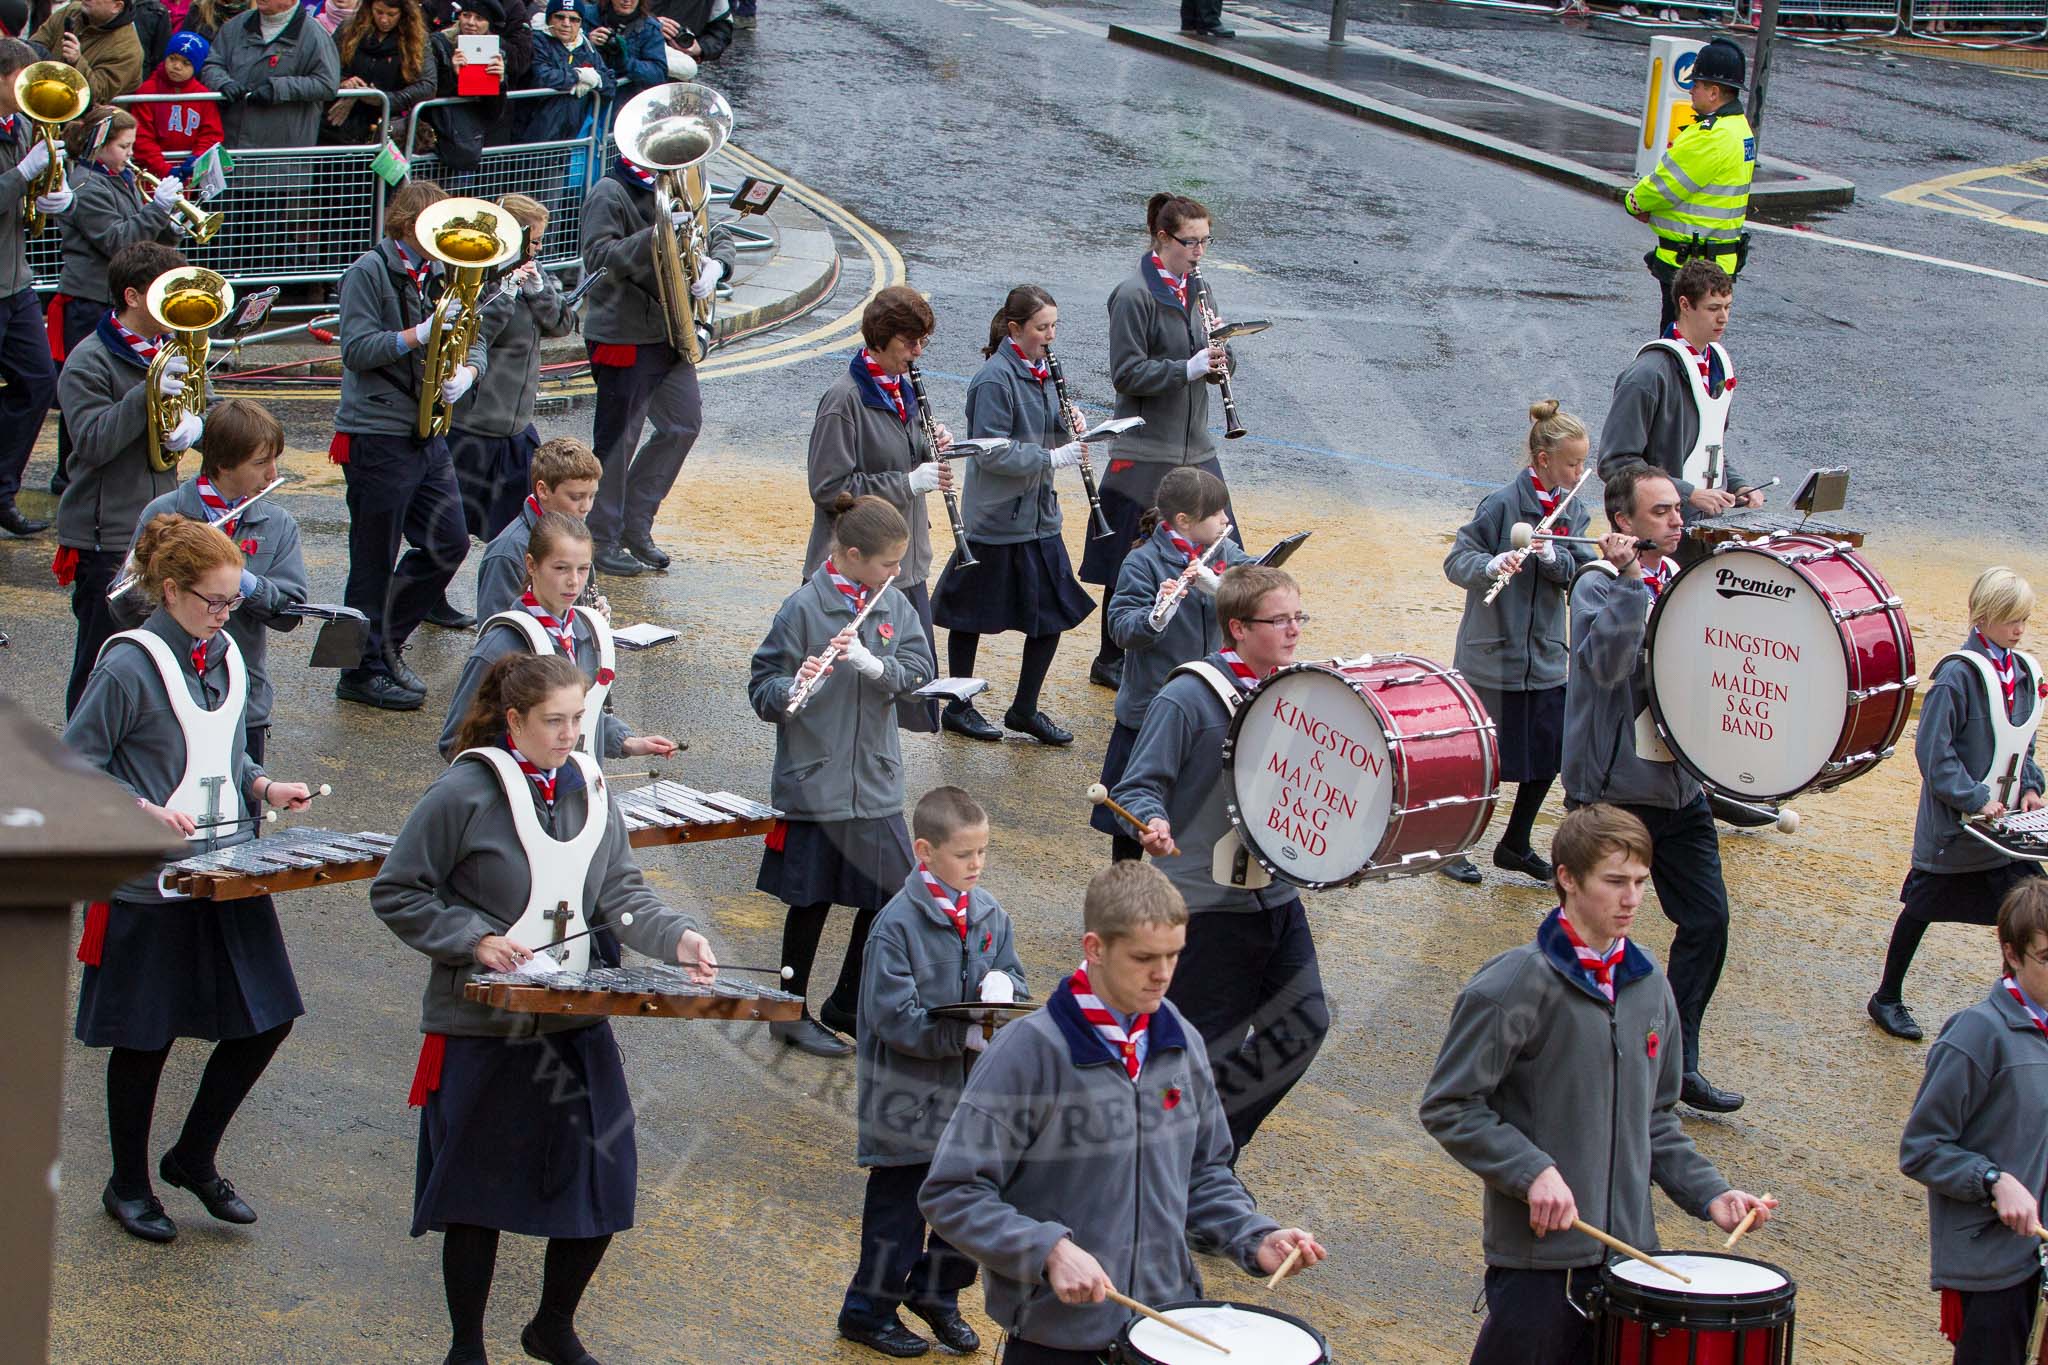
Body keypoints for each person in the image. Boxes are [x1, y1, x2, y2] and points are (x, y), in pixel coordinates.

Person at [371, 651, 720, 1365]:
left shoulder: (592, 786)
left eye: (577, 720)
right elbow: (398, 890)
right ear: (514, 721)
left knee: (605, 1179)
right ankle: (465, 1344)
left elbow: (624, 898)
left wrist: (677, 936)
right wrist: (474, 937)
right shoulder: (463, 791)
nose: (569, 735)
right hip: (484, 1023)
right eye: (554, 721)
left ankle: (551, 1325)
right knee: (476, 1194)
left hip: (574, 1019)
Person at [920, 860, 1325, 1365]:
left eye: (1174, 956)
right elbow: (953, 1192)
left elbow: (1203, 1173)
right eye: (1144, 958)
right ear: (1095, 948)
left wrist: (1253, 1234)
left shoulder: (1180, 1040)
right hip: (1057, 1341)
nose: (1163, 975)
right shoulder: (1028, 1053)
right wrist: (1048, 1250)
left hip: (1167, 1329)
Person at [1420, 803, 1775, 1365]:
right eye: (1615, 882)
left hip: (1632, 1260)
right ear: (1567, 878)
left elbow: (1656, 1117)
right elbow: (1451, 1105)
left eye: (1639, 881)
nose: (1632, 899)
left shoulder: (1650, 983)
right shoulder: (1513, 984)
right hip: (1541, 1266)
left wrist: (1711, 1194)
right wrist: (1530, 1170)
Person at [64, 512, 314, 1244]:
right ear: (170, 591)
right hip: (151, 881)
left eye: (234, 601)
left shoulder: (226, 651)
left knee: (268, 1017)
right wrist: (139, 807)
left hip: (229, 867)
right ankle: (128, 1182)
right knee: (146, 1037)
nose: (226, 613)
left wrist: (264, 786)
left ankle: (193, 1155)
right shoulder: (127, 664)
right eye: (215, 601)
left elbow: (225, 755)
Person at [1113, 564, 1329, 1157]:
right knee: (1206, 1049)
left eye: (1297, 617)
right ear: (1238, 627)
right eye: (1280, 620)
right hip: (1204, 904)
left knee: (1303, 1026)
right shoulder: (1189, 696)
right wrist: (1152, 821)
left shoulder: (1300, 691)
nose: (1293, 631)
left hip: (1276, 894)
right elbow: (1136, 786)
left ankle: (1212, 1158)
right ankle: (1187, 1174)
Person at [1563, 460, 1743, 1113]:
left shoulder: (1683, 577)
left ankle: (1678, 1059)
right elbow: (1606, 667)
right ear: (1622, 522)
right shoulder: (1595, 584)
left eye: (1677, 508)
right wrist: (1632, 580)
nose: (1677, 519)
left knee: (1708, 920)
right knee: (1598, 928)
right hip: (1616, 794)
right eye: (1662, 512)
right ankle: (1579, 1053)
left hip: (1680, 788)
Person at [840, 784, 1026, 1359]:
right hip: (907, 1101)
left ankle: (937, 1294)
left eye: (983, 853)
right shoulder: (895, 927)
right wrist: (963, 1034)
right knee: (897, 1215)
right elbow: (893, 1020)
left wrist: (1008, 991)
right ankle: (867, 1311)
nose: (977, 865)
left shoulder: (991, 914)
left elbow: (1014, 981)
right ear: (925, 852)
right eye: (964, 854)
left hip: (969, 1099)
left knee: (967, 1203)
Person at [751, 494, 935, 1058]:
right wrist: (791, 691)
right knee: (810, 902)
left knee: (890, 894)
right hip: (816, 783)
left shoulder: (893, 606)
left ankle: (846, 1001)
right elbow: (763, 686)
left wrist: (875, 665)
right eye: (886, 563)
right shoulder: (803, 609)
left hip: (874, 782)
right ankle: (789, 1008)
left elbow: (920, 668)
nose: (897, 573)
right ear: (852, 556)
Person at [1870, 567, 2045, 1041]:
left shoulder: (2021, 671)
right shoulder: (1955, 677)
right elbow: (1933, 753)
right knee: (1922, 906)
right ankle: (1886, 995)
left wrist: (2030, 784)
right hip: (1956, 826)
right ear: (1984, 618)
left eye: (2024, 621)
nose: (2020, 630)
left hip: (2005, 827)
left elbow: (2022, 743)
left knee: (2031, 910)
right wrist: (1975, 798)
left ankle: (2021, 997)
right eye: (2013, 621)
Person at [331, 178, 486, 711]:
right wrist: (417, 335)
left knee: (450, 541)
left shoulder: (444, 271)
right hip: (376, 433)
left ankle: (384, 645)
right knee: (370, 560)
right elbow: (354, 349)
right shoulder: (367, 272)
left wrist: (469, 370)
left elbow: (477, 334)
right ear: (407, 225)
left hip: (427, 429)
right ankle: (353, 670)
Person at [1084, 191, 1238, 691]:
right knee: (1131, 557)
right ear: (1162, 238)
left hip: (1195, 445)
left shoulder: (1201, 288)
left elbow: (1213, 352)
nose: (1198, 252)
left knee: (1220, 544)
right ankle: (1112, 656)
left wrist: (1219, 363)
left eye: (1205, 242)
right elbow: (1126, 374)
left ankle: (1207, 645)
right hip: (1146, 449)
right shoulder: (1133, 295)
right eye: (1189, 242)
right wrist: (1185, 368)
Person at [1438, 400, 1596, 886]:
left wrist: (1552, 558)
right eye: (1572, 463)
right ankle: (1454, 845)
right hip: (1493, 655)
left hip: (1545, 656)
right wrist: (1490, 564)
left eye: (1582, 462)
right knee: (1481, 760)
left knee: (1545, 756)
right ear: (1544, 460)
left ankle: (1515, 844)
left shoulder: (1576, 511)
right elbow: (1456, 561)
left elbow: (1577, 576)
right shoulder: (1502, 504)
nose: (1579, 471)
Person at [930, 285, 1095, 748]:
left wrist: (1071, 423)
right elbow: (991, 453)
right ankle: (958, 707)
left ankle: (1024, 708)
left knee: (1052, 615)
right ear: (1015, 329)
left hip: (1039, 516)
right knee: (970, 614)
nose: (1050, 336)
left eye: (1054, 327)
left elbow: (1044, 431)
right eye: (1042, 328)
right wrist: (1053, 458)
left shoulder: (1043, 371)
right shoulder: (993, 380)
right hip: (998, 519)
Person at [1901, 878, 2048, 1365]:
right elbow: (1922, 1148)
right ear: (2011, 952)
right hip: (1996, 1268)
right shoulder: (1976, 1034)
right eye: (2047, 957)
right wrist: (1992, 1179)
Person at [577, 141, 734, 577]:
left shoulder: (679, 181)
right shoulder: (611, 191)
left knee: (684, 424)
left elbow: (714, 230)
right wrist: (659, 235)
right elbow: (597, 257)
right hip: (624, 333)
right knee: (617, 439)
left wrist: (716, 265)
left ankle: (635, 523)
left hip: (669, 332)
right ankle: (601, 536)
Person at [803, 285, 954, 733]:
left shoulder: (902, 387)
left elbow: (899, 453)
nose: (918, 351)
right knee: (848, 692)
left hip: (904, 565)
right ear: (882, 339)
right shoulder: (843, 399)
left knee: (913, 681)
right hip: (859, 567)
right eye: (911, 342)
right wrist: (908, 483)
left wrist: (931, 445)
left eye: (922, 341)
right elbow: (829, 488)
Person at [53, 239, 195, 715]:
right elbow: (92, 443)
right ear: (133, 297)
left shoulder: (172, 346)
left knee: (157, 661)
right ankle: (79, 769)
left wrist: (195, 427)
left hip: (162, 525)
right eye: (164, 293)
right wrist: (147, 393)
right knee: (101, 665)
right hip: (106, 534)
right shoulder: (87, 360)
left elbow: (202, 410)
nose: (177, 305)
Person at [122, 398, 304, 766]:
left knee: (242, 812)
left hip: (241, 700)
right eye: (260, 463)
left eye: (274, 461)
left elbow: (288, 613)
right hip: (165, 696)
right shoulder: (164, 513)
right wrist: (169, 569)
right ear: (223, 463)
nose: (272, 474)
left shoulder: (278, 524)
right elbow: (126, 608)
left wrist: (239, 580)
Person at [1093, 466, 1250, 864]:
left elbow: (1261, 586)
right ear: (1184, 521)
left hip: (1207, 704)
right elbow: (1123, 628)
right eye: (1218, 514)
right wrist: (1156, 618)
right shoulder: (1143, 562)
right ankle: (1124, 890)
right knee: (1133, 818)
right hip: (1150, 710)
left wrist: (1217, 587)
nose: (1226, 521)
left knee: (1195, 811)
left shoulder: (1223, 554)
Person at [438, 511, 674, 761]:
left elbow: (578, 712)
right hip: (519, 794)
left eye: (583, 569)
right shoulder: (500, 646)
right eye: (561, 568)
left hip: (572, 789)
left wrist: (624, 741)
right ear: (531, 565)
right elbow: (456, 741)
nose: (574, 581)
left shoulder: (584, 631)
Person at [47, 108, 181, 496]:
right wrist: (156, 209)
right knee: (89, 392)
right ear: (98, 146)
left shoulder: (119, 178)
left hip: (113, 295)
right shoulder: (88, 184)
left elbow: (142, 246)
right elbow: (117, 241)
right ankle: (69, 474)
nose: (130, 154)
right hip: (89, 296)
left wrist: (168, 221)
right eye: (123, 146)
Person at [1596, 260, 1763, 555]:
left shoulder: (1716, 366)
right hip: (1656, 538)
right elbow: (1616, 463)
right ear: (1685, 305)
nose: (1723, 318)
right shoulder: (1647, 376)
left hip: (1703, 527)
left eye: (1727, 307)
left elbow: (1706, 448)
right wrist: (1688, 494)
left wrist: (1736, 484)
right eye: (1713, 308)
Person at [451, 193, 575, 543]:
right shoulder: (477, 276)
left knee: (520, 537)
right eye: (533, 240)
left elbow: (563, 324)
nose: (537, 249)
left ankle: (510, 599)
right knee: (450, 539)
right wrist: (505, 295)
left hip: (516, 431)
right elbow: (475, 335)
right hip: (474, 430)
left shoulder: (533, 268)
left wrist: (540, 292)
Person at [1625, 37, 1755, 334]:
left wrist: (1633, 202)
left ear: (1714, 91)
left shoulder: (1710, 136)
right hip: (1716, 260)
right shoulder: (1738, 128)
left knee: (1675, 345)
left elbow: (1665, 185)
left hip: (1689, 264)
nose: (1690, 90)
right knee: (1698, 345)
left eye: (1696, 84)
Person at [0, 36, 69, 538]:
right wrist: (21, 176)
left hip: (14, 279)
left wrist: (56, 195)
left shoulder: (24, 125)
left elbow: (37, 193)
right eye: (21, 82)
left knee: (39, 382)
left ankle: (1, 491)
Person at [474, 435, 601, 620]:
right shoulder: (507, 553)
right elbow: (494, 632)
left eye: (592, 496)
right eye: (576, 497)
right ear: (543, 491)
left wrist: (592, 622)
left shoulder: (574, 531)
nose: (586, 507)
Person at [200, 0, 340, 150]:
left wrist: (278, 89)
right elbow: (212, 64)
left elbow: (327, 83)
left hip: (282, 159)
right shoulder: (235, 26)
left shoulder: (314, 36)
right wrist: (222, 83)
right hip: (231, 152)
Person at [321, 0, 435, 146]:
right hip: (339, 126)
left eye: (391, 14)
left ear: (404, 13)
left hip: (390, 131)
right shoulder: (348, 29)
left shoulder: (417, 38)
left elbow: (427, 87)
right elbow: (326, 69)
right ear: (369, 8)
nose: (384, 19)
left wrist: (383, 99)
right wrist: (344, 83)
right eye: (378, 12)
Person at [516, 0, 610, 144]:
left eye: (574, 19)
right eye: (560, 17)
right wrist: (578, 76)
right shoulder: (536, 41)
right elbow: (542, 76)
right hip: (533, 134)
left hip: (571, 137)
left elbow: (610, 82)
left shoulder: (586, 47)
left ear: (580, 23)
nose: (566, 23)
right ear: (549, 19)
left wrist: (596, 80)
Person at [29, 0, 145, 106]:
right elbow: (34, 48)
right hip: (42, 99)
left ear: (117, 6)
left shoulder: (128, 50)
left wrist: (77, 62)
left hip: (88, 120)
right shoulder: (71, 11)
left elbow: (99, 95)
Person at [578, 0, 661, 110]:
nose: (627, 1)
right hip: (581, 97)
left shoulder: (649, 27)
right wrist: (586, 42)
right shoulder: (583, 15)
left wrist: (624, 60)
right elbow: (559, 52)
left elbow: (658, 74)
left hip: (620, 103)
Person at [647, 0, 727, 64]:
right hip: (639, 58)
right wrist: (649, 23)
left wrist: (701, 48)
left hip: (680, 65)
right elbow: (635, 12)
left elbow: (721, 28)